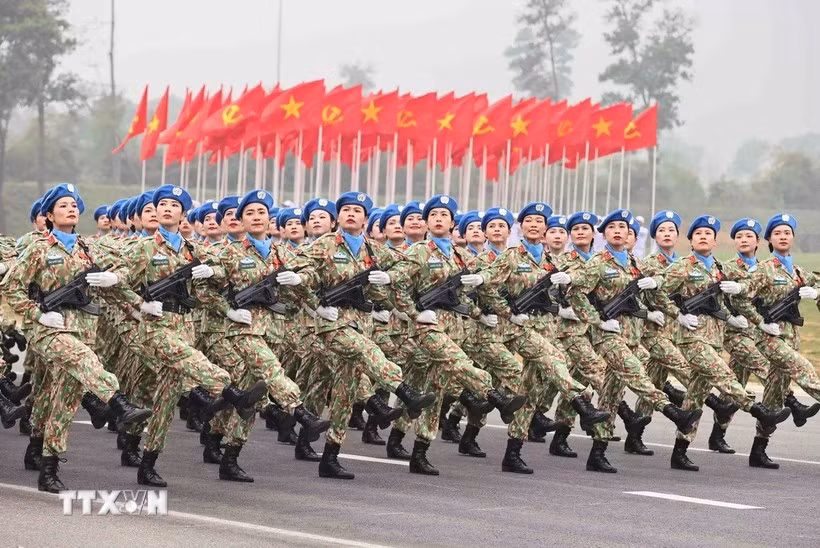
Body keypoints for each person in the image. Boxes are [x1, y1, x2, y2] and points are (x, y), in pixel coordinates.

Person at [5, 183, 153, 492]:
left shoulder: (89, 248)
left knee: (59, 398)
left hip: (85, 329)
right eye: (62, 205)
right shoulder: (38, 247)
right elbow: (12, 288)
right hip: (50, 329)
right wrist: (37, 313)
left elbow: (121, 268)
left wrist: (130, 293)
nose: (70, 209)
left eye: (73, 205)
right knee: (85, 361)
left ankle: (46, 462)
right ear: (48, 214)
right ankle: (117, 403)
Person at [284, 191, 437, 479]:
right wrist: (316, 304)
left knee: (344, 394)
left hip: (361, 321)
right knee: (371, 353)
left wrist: (391, 276)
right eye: (346, 210)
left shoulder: (372, 249)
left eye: (357, 210)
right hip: (331, 324)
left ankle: (330, 457)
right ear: (338, 218)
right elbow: (297, 272)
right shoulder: (325, 245)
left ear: (366, 218)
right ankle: (404, 392)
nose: (351, 214)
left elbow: (411, 264)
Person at [563, 209, 703, 474]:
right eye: (612, 227)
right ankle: (673, 411)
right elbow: (575, 294)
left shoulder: (635, 264)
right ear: (603, 234)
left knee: (611, 396)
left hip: (632, 335)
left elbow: (654, 297)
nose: (618, 231)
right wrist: (596, 320)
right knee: (637, 374)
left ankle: (598, 452)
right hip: (607, 336)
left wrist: (677, 314)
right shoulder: (597, 263)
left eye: (623, 228)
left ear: (630, 235)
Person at [477, 202, 610, 474]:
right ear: (521, 227)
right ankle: (581, 403)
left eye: (539, 221)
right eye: (529, 221)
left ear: (546, 228)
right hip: (519, 328)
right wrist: (507, 312)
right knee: (555, 358)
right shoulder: (512, 256)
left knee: (529, 390)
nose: (534, 225)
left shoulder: (554, 261)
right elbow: (488, 283)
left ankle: (512, 452)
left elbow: (579, 286)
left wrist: (586, 310)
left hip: (546, 327)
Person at [659, 215, 792, 471]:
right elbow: (658, 292)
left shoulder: (720, 268)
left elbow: (735, 295)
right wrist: (678, 313)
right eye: (698, 234)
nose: (703, 237)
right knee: (724, 374)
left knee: (694, 398)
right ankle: (757, 409)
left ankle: (680, 451)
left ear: (715, 240)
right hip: (691, 338)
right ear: (691, 240)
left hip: (716, 338)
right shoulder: (683, 266)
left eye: (708, 234)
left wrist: (734, 317)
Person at [744, 213, 820, 468]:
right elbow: (740, 297)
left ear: (793, 237)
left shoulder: (799, 272)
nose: (783, 237)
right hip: (769, 338)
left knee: (774, 396)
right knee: (804, 369)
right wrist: (759, 320)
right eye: (777, 233)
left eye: (787, 233)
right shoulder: (764, 269)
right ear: (769, 240)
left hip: (790, 338)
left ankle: (758, 450)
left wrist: (817, 291)